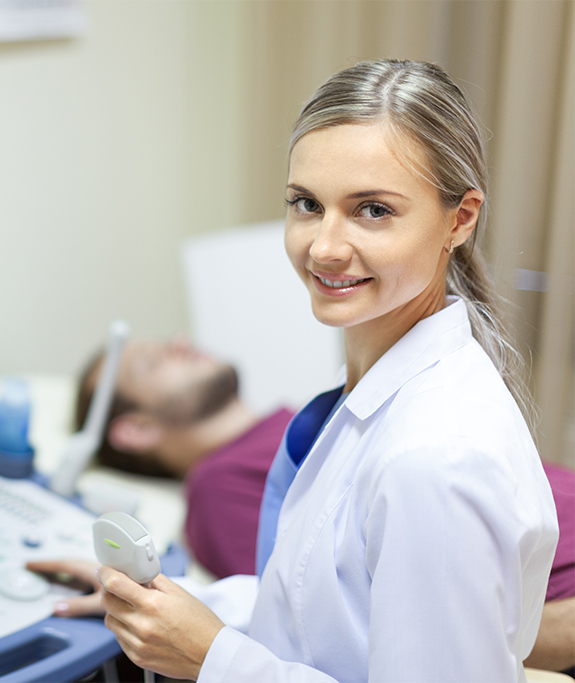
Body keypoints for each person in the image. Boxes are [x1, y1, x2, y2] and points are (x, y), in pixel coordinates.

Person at [30, 59, 559, 681]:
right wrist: (168, 602)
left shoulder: (433, 462)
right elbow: (324, 606)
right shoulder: (369, 396)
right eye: (307, 204)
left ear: (460, 219)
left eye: (373, 210)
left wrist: (212, 656)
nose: (324, 248)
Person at [52, 337, 575, 673]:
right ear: (137, 429)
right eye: (153, 361)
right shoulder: (219, 485)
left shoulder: (323, 417)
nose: (179, 343)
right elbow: (310, 626)